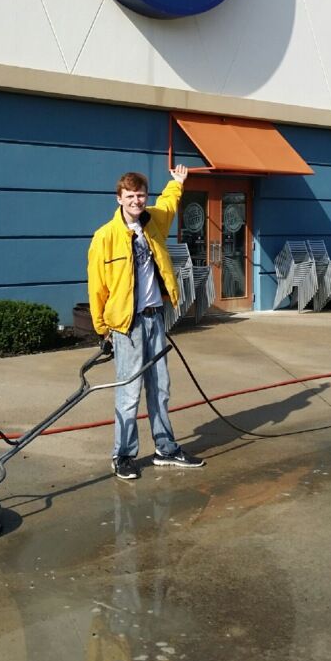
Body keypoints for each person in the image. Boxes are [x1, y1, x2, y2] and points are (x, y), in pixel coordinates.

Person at [87, 165, 206, 481]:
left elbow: (168, 204)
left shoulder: (154, 222)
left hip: (155, 318)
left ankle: (165, 449)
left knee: (161, 388)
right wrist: (102, 329)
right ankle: (123, 455)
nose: (136, 201)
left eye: (140, 195)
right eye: (130, 196)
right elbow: (96, 287)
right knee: (128, 393)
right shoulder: (105, 237)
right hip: (126, 326)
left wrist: (177, 183)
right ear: (119, 198)